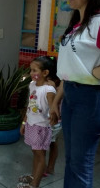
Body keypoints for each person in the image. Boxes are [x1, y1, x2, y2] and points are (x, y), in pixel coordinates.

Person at [50, 0, 100, 188]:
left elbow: (89, 70)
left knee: (80, 165)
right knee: (71, 160)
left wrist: (99, 72)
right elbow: (71, 69)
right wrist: (56, 100)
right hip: (71, 94)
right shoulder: (77, 25)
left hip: (92, 98)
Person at [18, 56, 57, 188]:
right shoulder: (32, 85)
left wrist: (54, 117)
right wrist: (24, 123)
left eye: (34, 70)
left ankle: (34, 185)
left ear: (45, 73)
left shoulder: (49, 90)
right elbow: (30, 105)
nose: (31, 73)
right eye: (31, 70)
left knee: (40, 156)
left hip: (41, 127)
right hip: (31, 124)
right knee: (35, 153)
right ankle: (34, 177)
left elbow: (53, 110)